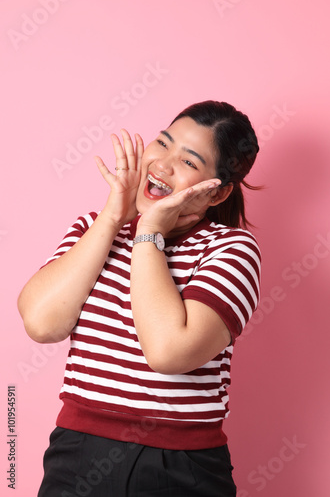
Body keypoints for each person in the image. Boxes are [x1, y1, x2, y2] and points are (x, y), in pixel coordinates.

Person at [18, 100, 261, 496]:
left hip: (180, 467)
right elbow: (42, 324)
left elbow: (168, 353)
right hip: (76, 453)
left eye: (188, 161)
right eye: (163, 143)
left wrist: (149, 234)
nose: (162, 165)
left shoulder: (231, 249)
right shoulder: (92, 229)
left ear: (218, 193)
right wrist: (113, 217)